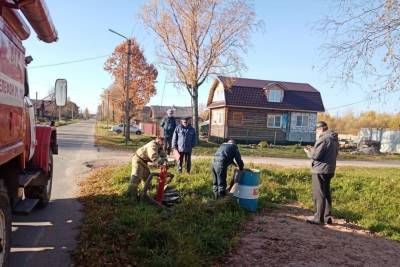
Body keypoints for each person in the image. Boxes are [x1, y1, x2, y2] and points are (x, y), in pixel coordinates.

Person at [304, 121, 339, 225]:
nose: (316, 133)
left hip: (320, 170)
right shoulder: (334, 138)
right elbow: (333, 153)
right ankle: (327, 217)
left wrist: (308, 151)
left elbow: (316, 156)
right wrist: (314, 150)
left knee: (319, 194)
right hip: (330, 169)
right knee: (326, 193)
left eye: (316, 131)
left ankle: (318, 218)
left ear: (320, 129)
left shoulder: (323, 138)